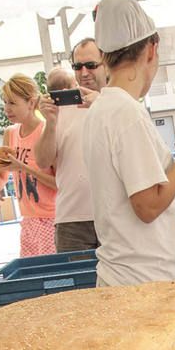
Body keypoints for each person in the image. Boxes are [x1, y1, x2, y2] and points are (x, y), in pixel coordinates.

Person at [83, 0, 175, 287]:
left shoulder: (102, 109)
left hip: (126, 274)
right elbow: (148, 206)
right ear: (152, 50)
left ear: (104, 56)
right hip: (143, 281)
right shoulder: (126, 113)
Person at [36, 40, 108, 252]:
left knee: (125, 285)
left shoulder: (118, 103)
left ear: (106, 64)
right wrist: (49, 122)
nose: (84, 72)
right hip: (72, 220)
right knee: (76, 284)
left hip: (116, 216)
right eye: (78, 66)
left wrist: (102, 106)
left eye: (91, 65)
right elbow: (42, 160)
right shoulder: (61, 107)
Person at [0, 75, 57, 257]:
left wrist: (22, 167)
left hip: (51, 219)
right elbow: (2, 173)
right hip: (27, 219)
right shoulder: (10, 133)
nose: (7, 109)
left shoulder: (46, 131)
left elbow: (59, 182)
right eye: (5, 102)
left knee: (53, 279)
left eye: (12, 103)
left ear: (31, 102)